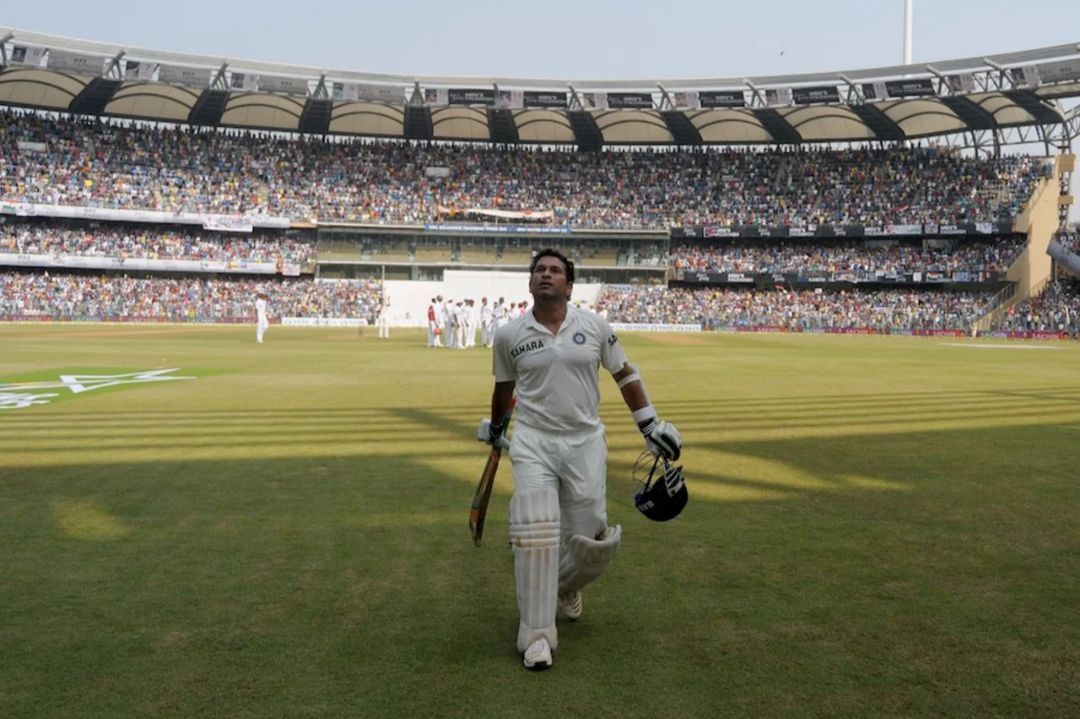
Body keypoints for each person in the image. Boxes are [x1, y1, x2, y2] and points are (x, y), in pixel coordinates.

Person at [477, 248, 681, 671]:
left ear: (569, 286)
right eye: (539, 270)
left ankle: (563, 586)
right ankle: (536, 635)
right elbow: (504, 389)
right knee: (536, 528)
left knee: (592, 542)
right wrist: (497, 429)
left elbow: (624, 373)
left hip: (585, 441)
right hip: (533, 441)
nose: (546, 275)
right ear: (530, 282)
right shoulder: (509, 334)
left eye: (555, 271)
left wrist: (650, 425)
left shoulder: (594, 326)